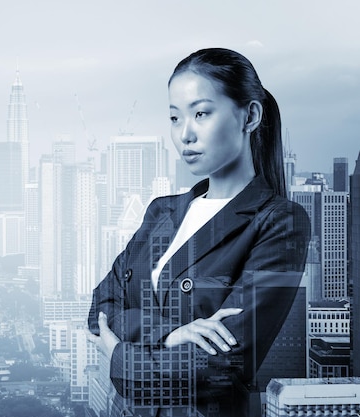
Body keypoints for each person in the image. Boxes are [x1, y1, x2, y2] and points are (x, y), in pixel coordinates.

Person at [86, 48, 311, 417]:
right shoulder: (162, 212)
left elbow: (220, 366)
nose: (184, 134)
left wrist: (119, 358)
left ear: (250, 116)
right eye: (175, 118)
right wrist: (170, 335)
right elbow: (101, 309)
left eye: (201, 113)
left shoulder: (278, 221)